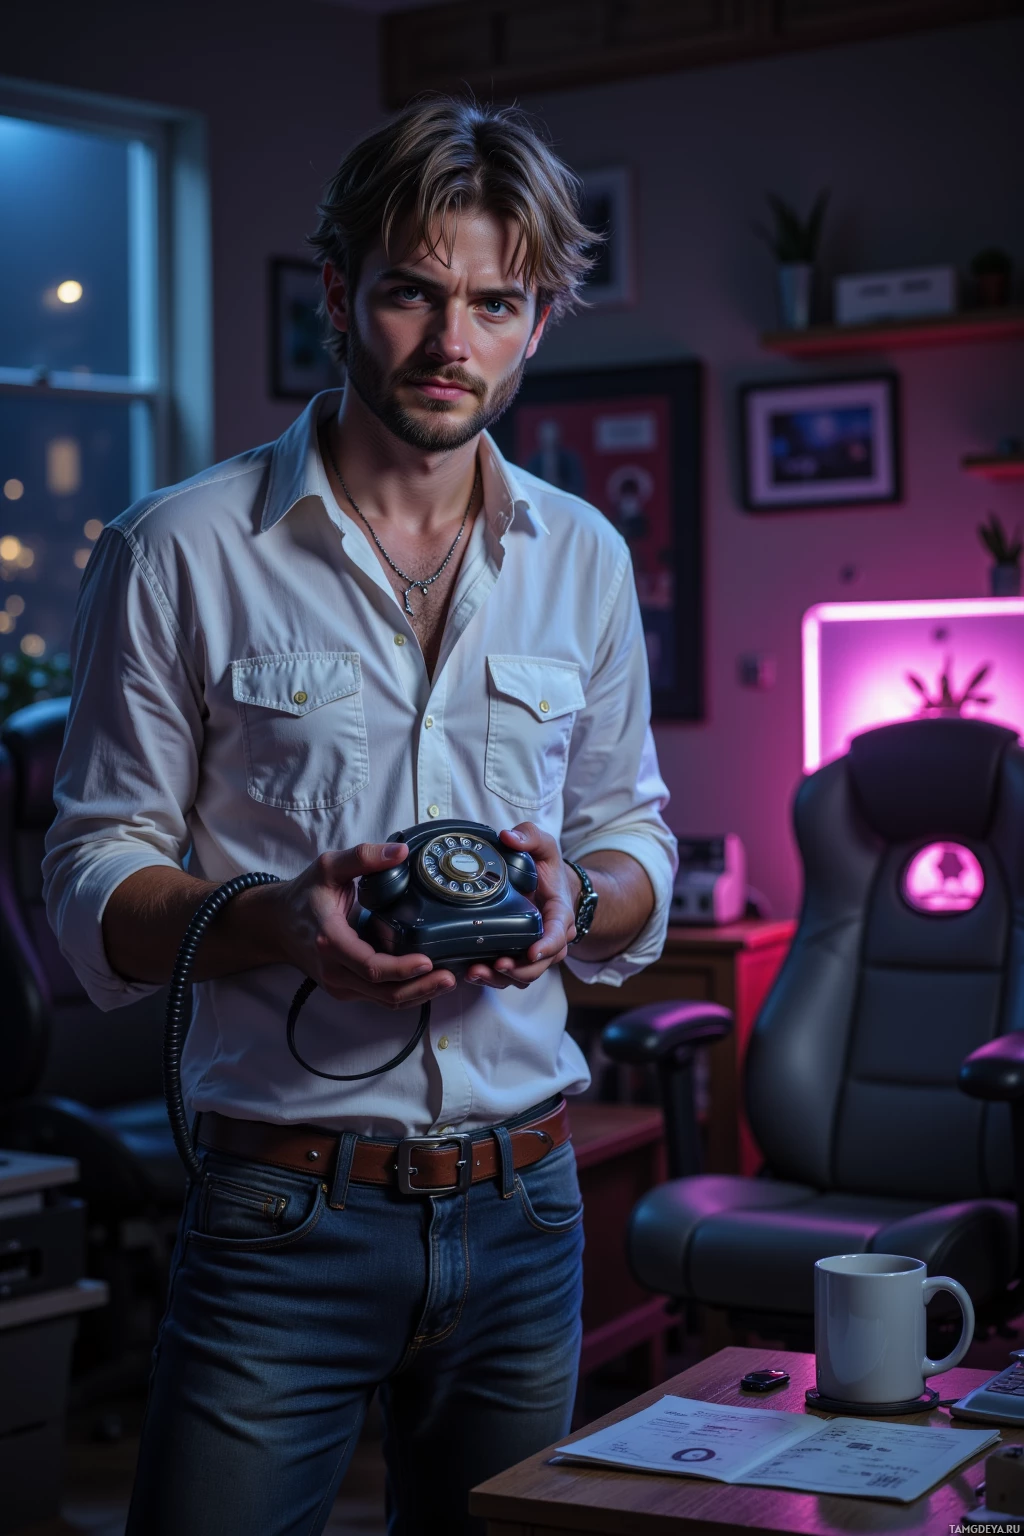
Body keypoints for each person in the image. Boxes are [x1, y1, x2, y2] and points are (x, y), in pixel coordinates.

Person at [43, 96, 677, 1536]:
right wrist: (276, 922)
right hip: (283, 1214)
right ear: (337, 295)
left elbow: (635, 835)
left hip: (528, 1207)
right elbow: (88, 880)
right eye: (412, 292)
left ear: (537, 323)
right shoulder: (177, 549)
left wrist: (581, 898)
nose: (453, 341)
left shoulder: (582, 557)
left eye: (495, 303)